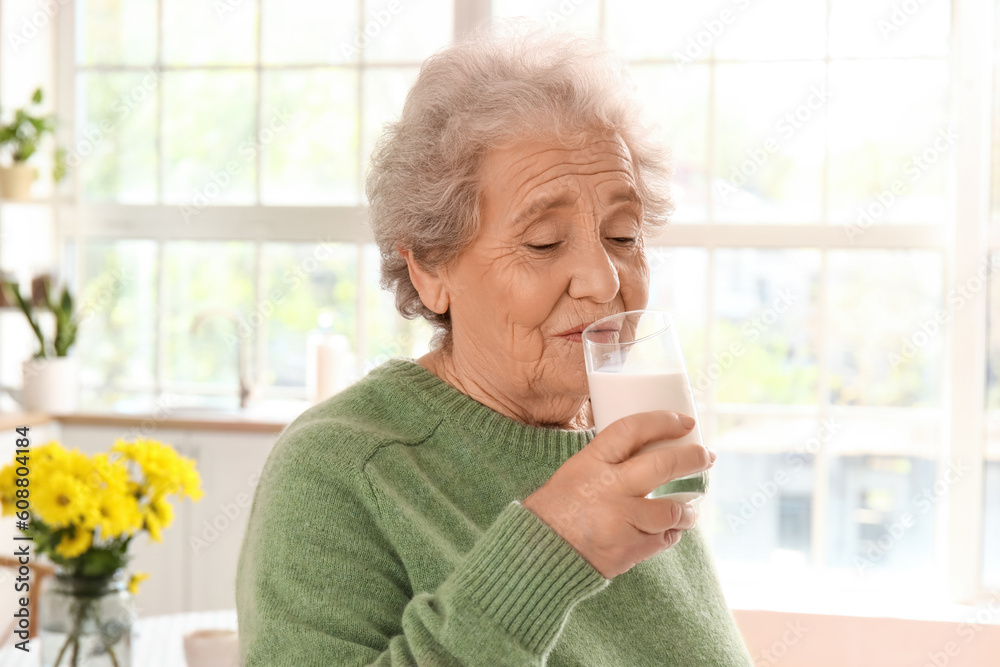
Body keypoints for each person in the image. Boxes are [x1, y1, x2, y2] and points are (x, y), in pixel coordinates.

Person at [236, 22, 754, 666]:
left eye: (623, 236)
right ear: (430, 270)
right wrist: (554, 547)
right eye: (543, 242)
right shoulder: (340, 467)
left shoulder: (626, 442)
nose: (603, 279)